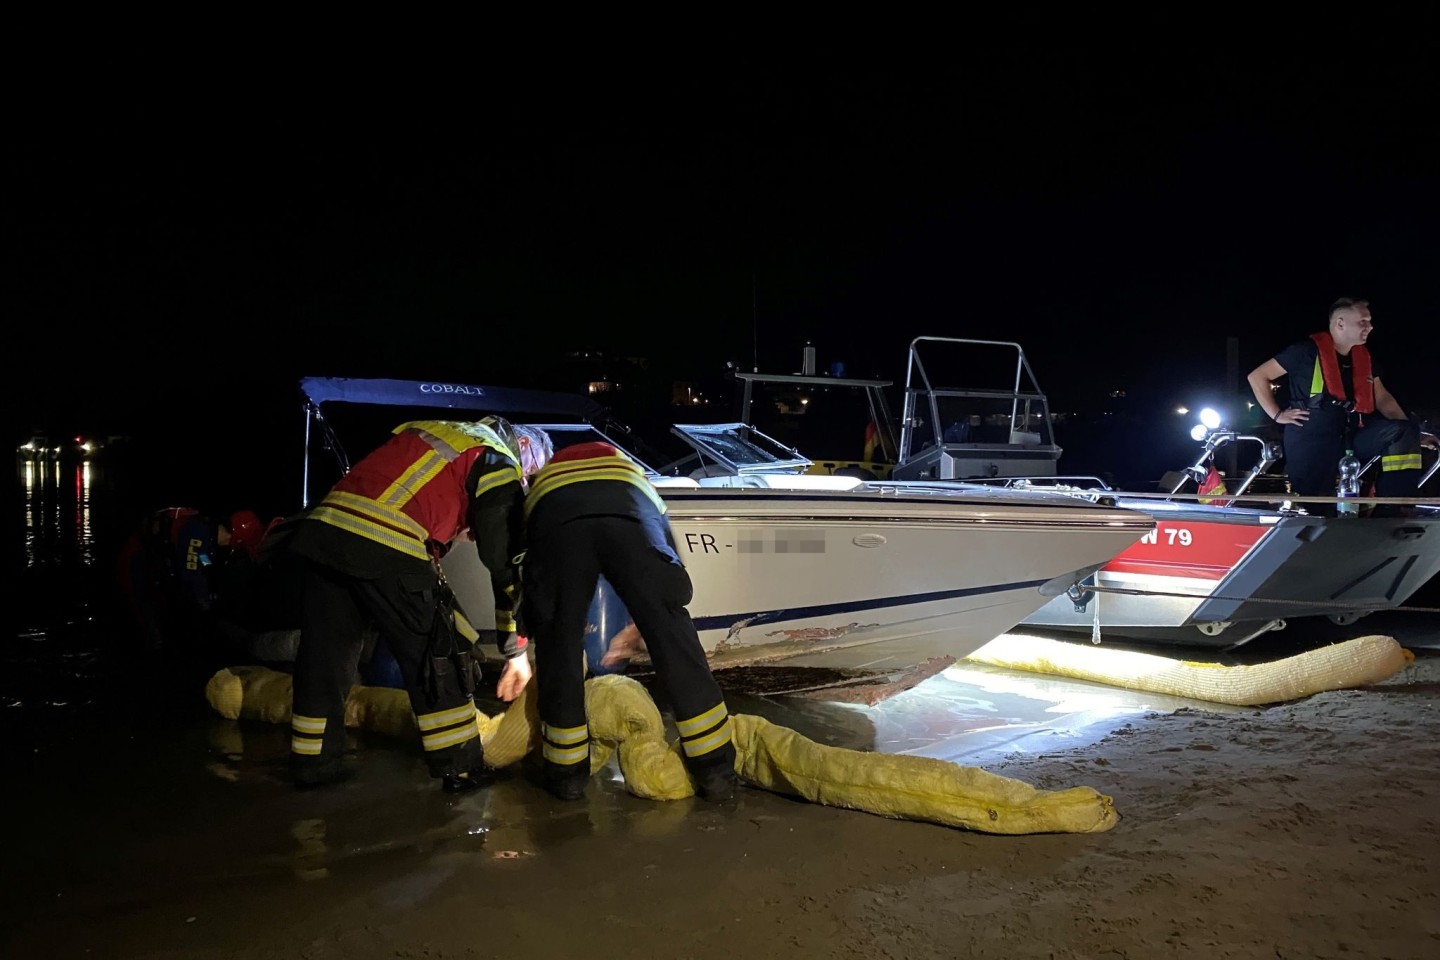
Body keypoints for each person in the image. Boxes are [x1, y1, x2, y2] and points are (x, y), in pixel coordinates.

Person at [286, 417, 553, 791]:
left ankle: (314, 761)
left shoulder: (442, 434)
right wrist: (516, 651)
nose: (522, 487)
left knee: (325, 657)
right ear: (523, 449)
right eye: (529, 477)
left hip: (323, 531)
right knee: (441, 653)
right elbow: (503, 561)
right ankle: (460, 767)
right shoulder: (496, 456)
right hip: (385, 536)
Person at [521, 440, 738, 802]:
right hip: (630, 517)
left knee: (559, 642)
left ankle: (566, 777)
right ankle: (715, 772)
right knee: (672, 634)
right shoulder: (634, 477)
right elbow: (671, 574)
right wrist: (650, 616)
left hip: (558, 523)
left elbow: (527, 563)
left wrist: (526, 629)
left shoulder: (542, 485)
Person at [1247, 297, 1437, 516]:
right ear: (1340, 323)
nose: (1370, 326)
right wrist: (1277, 414)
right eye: (1363, 321)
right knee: (1315, 507)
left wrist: (1412, 435)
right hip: (1311, 438)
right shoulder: (1304, 352)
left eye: (1370, 321)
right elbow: (1258, 376)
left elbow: (1383, 398)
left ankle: (1394, 507)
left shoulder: (1364, 359)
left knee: (1403, 429)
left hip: (1349, 436)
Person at [116, 506, 267, 658]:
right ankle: (152, 661)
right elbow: (192, 574)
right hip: (136, 561)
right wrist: (208, 609)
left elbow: (201, 561)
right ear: (236, 538)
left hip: (156, 565)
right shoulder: (198, 533)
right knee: (148, 620)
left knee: (163, 614)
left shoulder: (209, 536)